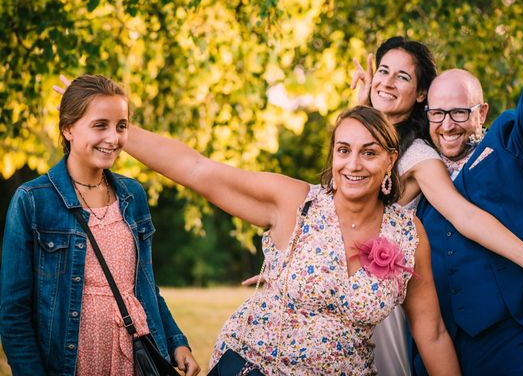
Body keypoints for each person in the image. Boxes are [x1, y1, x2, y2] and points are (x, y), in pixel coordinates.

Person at [112, 105, 460, 375]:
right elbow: (197, 170)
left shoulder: (407, 232)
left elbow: (431, 333)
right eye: (343, 150)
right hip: (254, 365)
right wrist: (117, 129)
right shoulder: (297, 203)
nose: (353, 164)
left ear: (390, 161)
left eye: (369, 153)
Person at [351, 6, 523, 375]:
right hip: (440, 336)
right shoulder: (410, 173)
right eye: (438, 114)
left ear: (481, 112)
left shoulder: (511, 145)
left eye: (459, 113)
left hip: (512, 329)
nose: (447, 125)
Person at [0, 75, 200, 376]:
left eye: (121, 126)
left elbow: (145, 286)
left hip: (135, 354)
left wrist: (176, 342)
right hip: (73, 360)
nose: (113, 138)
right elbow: (14, 312)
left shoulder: (134, 195)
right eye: (100, 125)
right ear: (68, 128)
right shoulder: (32, 200)